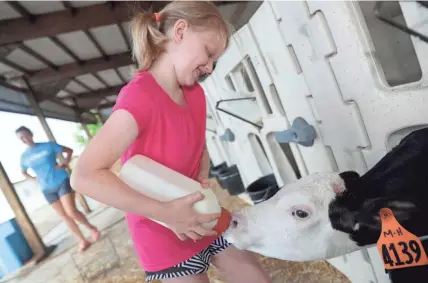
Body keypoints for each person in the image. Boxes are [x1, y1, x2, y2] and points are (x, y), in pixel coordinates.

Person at [70, 1, 271, 282]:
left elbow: (198, 144)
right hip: (161, 233)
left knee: (256, 278)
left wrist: (202, 177)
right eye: (208, 52)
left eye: (215, 59)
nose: (210, 66)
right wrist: (165, 212)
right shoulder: (140, 96)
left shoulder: (195, 94)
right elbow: (84, 176)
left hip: (202, 215)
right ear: (180, 31)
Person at [16, 126, 100, 253]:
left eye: (25, 135)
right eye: (21, 138)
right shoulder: (24, 157)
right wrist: (34, 179)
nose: (24, 139)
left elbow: (69, 150)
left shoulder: (48, 146)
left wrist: (65, 163)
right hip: (46, 188)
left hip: (61, 180)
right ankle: (82, 240)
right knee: (64, 216)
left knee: (71, 211)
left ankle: (92, 228)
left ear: (31, 134)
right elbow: (23, 172)